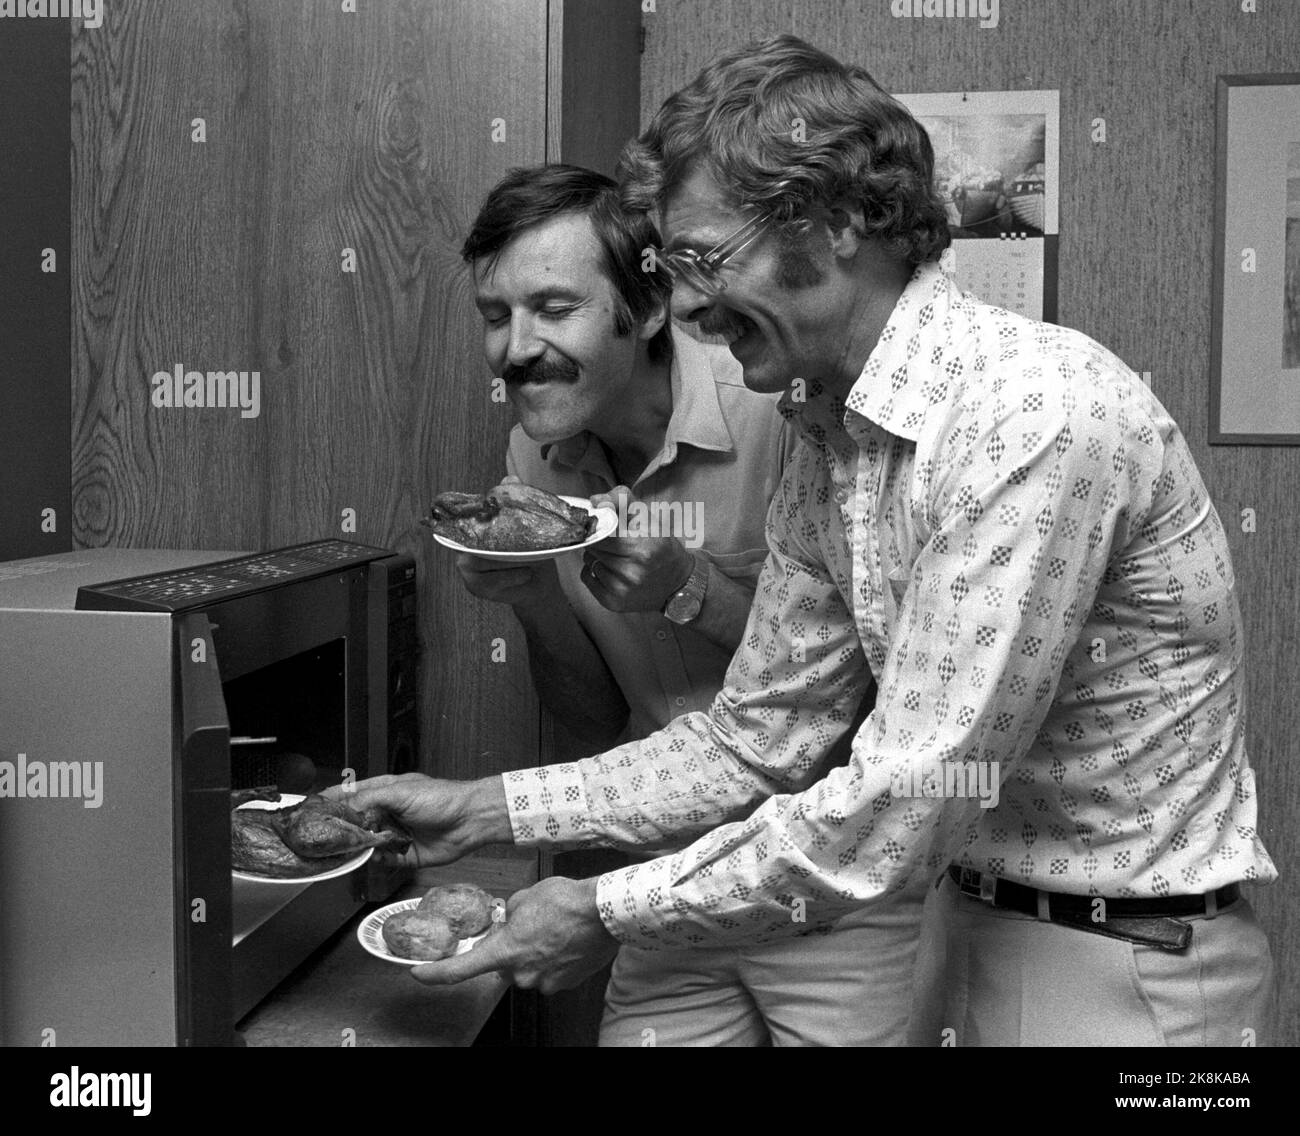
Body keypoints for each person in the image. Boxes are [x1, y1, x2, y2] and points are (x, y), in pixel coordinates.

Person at [351, 36, 1276, 1046]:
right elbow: (755, 736)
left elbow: (904, 795)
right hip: (965, 926)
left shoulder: (1027, 413)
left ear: (834, 223)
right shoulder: (827, 434)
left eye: (705, 258)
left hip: (1125, 972)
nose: (690, 306)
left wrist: (602, 908)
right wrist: (483, 809)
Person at [448, 163, 926, 1046]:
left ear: (654, 304)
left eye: (553, 309)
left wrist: (690, 590)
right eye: (494, 315)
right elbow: (592, 718)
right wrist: (536, 604)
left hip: (827, 896)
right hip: (662, 885)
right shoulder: (535, 459)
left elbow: (870, 680)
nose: (514, 348)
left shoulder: (782, 411)